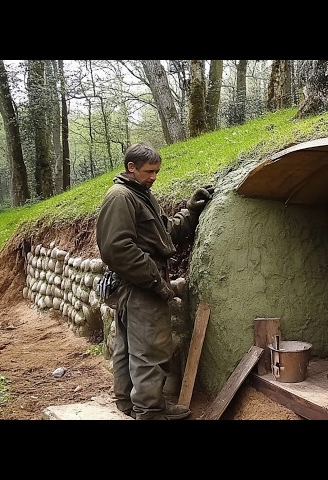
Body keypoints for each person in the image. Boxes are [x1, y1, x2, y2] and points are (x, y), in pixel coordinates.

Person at [96, 142, 214, 420]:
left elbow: (164, 234)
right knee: (150, 351)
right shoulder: (120, 197)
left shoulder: (140, 195)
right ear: (131, 168)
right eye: (149, 171)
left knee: (130, 349)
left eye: (157, 171)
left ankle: (129, 404)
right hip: (139, 286)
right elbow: (116, 249)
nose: (154, 177)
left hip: (138, 284)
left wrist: (190, 210)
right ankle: (150, 411)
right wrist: (155, 282)